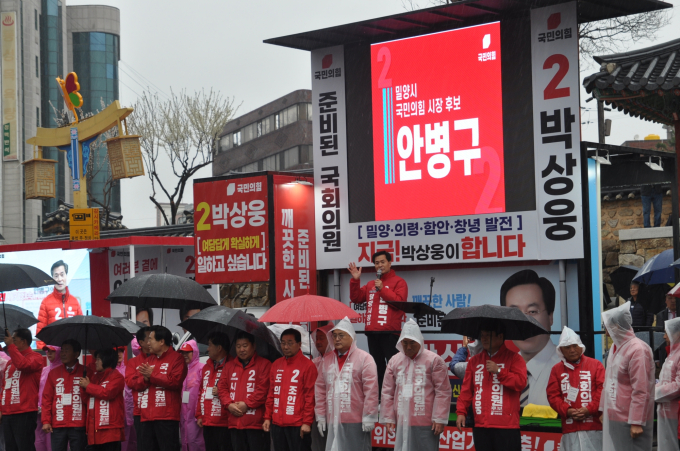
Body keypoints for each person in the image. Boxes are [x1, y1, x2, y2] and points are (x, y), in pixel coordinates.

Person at [455, 321, 527, 451]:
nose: (484, 339)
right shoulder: (474, 361)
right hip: (481, 425)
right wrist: (461, 412)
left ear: (500, 336)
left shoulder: (515, 358)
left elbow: (521, 382)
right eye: (482, 335)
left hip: (506, 426)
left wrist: (499, 371)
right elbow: (466, 390)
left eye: (488, 335)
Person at [382, 319, 451, 451]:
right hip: (401, 419)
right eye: (405, 343)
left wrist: (440, 418)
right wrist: (388, 417)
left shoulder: (434, 360)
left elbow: (443, 391)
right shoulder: (394, 361)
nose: (408, 347)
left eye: (412, 343)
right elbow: (387, 391)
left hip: (426, 422)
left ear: (420, 341)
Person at [348, 251, 408, 394]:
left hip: (390, 332)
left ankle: (397, 395)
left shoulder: (399, 282)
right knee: (376, 366)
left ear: (389, 263)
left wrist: (382, 289)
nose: (379, 265)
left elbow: (400, 302)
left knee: (394, 366)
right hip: (372, 332)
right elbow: (356, 298)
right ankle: (380, 397)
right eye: (376, 263)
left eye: (382, 262)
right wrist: (355, 280)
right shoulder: (370, 284)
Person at [315, 317, 378, 451]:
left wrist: (369, 416)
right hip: (332, 418)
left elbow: (371, 390)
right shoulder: (327, 360)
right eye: (335, 335)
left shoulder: (364, 359)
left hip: (356, 420)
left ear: (351, 337)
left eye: (341, 335)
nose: (337, 339)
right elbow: (320, 389)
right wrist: (320, 416)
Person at [500, 269, 560, 407]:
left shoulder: (568, 368)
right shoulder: (501, 368)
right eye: (514, 313)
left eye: (532, 311)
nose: (523, 322)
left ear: (550, 316)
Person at [600, 302, 655, 451]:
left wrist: (636, 422)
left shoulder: (638, 350)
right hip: (615, 416)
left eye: (606, 326)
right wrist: (604, 410)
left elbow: (641, 389)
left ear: (617, 326)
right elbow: (609, 380)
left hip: (630, 420)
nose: (605, 331)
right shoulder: (615, 347)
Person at [546, 327, 605, 451]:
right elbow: (552, 396)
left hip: (594, 426)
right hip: (570, 427)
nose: (572, 350)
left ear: (581, 346)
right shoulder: (556, 369)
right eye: (567, 347)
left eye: (575, 346)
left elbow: (602, 390)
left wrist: (589, 409)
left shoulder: (596, 365)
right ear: (561, 349)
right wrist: (568, 411)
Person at [133, 325, 187, 451]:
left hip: (166, 417)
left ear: (162, 341)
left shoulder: (177, 359)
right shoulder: (149, 359)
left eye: (151, 339)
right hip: (146, 416)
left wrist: (152, 376)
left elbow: (175, 381)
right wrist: (145, 379)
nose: (148, 343)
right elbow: (135, 383)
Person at [263, 328, 317, 451]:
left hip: (298, 425)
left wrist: (307, 422)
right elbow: (271, 393)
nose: (285, 347)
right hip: (277, 423)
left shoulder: (308, 366)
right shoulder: (276, 364)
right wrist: (267, 417)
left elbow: (310, 397)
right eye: (283, 343)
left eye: (290, 343)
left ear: (299, 344)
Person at [218, 331, 271, 451]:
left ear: (254, 346)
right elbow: (222, 388)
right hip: (234, 422)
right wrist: (229, 404)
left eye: (245, 346)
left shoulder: (265, 365)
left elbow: (263, 390)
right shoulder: (229, 366)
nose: (241, 349)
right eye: (238, 346)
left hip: (256, 424)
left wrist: (246, 404)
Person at [1, 328, 44, 451]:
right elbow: (4, 388)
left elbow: (23, 365)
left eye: (14, 339)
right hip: (8, 413)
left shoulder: (36, 357)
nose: (11, 342)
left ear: (23, 341)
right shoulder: (10, 363)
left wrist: (11, 346)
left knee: (24, 447)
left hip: (24, 412)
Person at [41, 340, 86, 451]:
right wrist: (46, 421)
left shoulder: (86, 372)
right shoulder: (53, 373)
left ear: (76, 354)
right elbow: (47, 398)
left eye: (67, 351)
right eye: (62, 351)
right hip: (58, 424)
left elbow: (91, 399)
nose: (63, 354)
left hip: (79, 424)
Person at [80, 349, 125, 450]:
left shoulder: (117, 377)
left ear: (107, 360)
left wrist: (88, 386)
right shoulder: (95, 377)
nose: (95, 362)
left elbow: (107, 393)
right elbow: (87, 400)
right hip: (94, 429)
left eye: (99, 359)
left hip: (110, 430)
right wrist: (83, 388)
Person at [195, 331, 231, 451]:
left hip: (224, 422)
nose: (208, 349)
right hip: (207, 421)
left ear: (219, 348)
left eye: (210, 345)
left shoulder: (232, 366)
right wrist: (199, 415)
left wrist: (221, 391)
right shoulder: (206, 366)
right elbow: (202, 392)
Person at [36, 261, 83, 349]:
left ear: (66, 276)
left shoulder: (75, 301)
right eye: (56, 276)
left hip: (72, 352)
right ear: (52, 278)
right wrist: (44, 352)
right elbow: (40, 333)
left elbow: (81, 329)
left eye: (62, 274)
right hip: (53, 354)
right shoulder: (45, 302)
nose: (59, 279)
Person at [655, 317, 680, 451]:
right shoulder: (671, 353)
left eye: (667, 332)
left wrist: (655, 393)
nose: (664, 336)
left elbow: (678, 386)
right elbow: (665, 381)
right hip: (665, 410)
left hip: (675, 412)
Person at [124, 327, 149, 448]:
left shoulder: (161, 360)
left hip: (159, 412)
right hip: (140, 411)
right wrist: (146, 378)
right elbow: (130, 383)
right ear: (141, 342)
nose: (151, 341)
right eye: (149, 338)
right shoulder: (133, 363)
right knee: (143, 444)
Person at [310, 324, 333, 451]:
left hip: (335, 414)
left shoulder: (338, 362)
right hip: (316, 414)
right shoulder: (314, 362)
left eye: (321, 338)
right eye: (316, 338)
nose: (318, 341)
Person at [179, 340, 204, 451]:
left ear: (194, 352)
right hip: (183, 414)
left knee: (197, 441)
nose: (184, 355)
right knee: (185, 440)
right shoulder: (181, 369)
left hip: (196, 414)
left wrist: (201, 413)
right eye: (183, 353)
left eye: (187, 352)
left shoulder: (201, 368)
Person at [36, 345, 62, 451]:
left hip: (55, 412)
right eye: (47, 351)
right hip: (39, 411)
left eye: (52, 351)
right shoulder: (44, 370)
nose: (49, 353)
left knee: (52, 441)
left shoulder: (62, 371)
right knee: (39, 440)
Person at [115, 347, 135, 451]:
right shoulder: (111, 372)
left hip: (130, 410)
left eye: (121, 351)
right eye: (116, 352)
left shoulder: (129, 369)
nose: (119, 354)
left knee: (132, 439)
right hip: (117, 411)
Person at [656, 293, 677, 368]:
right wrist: (657, 358)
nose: (673, 301)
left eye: (675, 298)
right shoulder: (661, 315)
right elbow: (658, 335)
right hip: (665, 350)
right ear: (665, 300)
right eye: (670, 298)